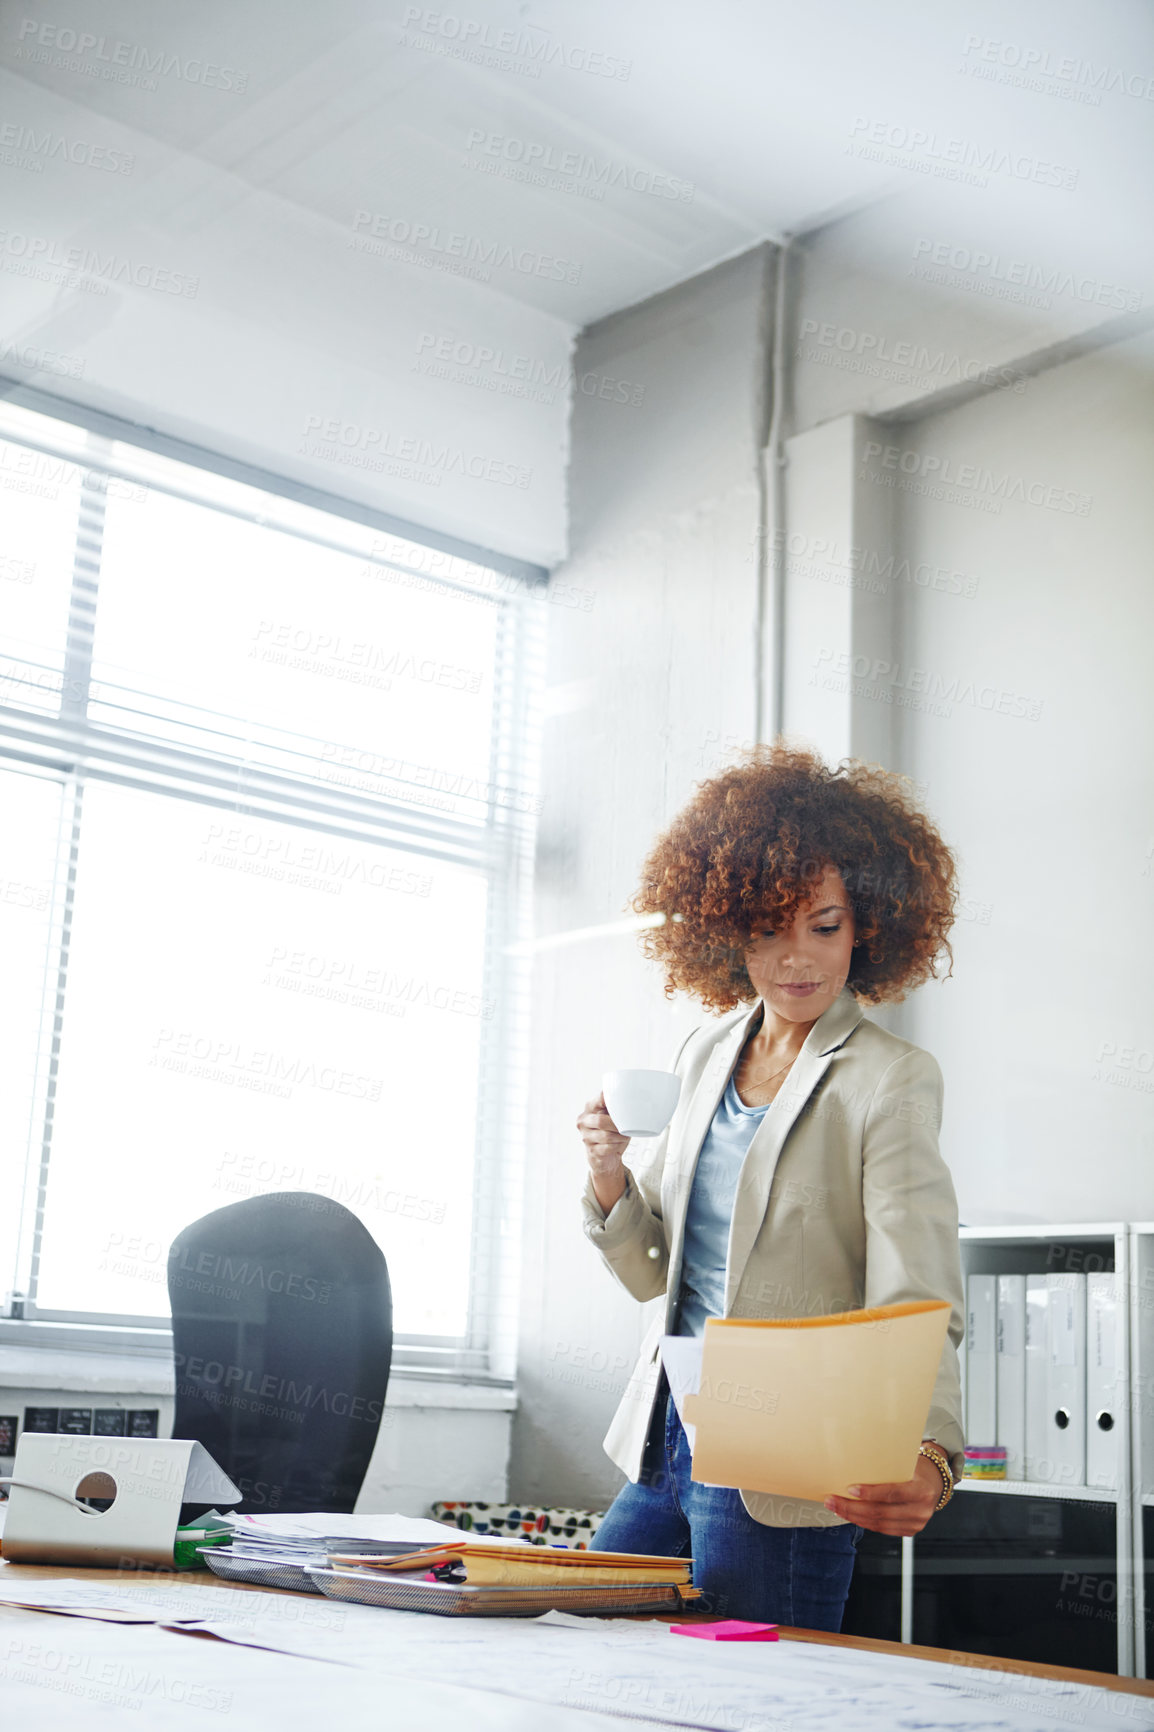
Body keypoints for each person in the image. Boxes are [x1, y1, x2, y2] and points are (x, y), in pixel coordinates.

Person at [577, 742, 965, 1630]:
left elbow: (920, 1284)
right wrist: (609, 1176)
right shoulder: (705, 1051)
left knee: (747, 1699)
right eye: (767, 929)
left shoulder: (890, 1077)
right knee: (583, 1651)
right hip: (664, 1431)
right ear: (726, 927)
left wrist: (931, 1452)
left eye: (823, 926)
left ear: (867, 923)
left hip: (786, 1450)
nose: (797, 960)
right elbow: (654, 1276)